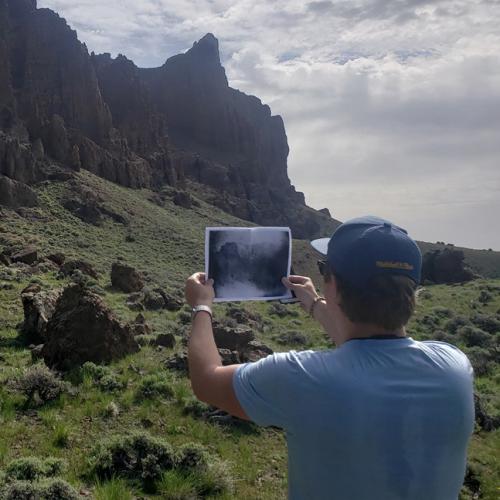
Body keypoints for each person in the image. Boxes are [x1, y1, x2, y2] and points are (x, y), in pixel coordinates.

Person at [185, 215, 474, 500]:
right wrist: (313, 304)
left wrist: (202, 306)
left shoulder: (301, 378)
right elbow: (370, 338)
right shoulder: (454, 368)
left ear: (333, 284)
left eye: (324, 270)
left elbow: (206, 379)